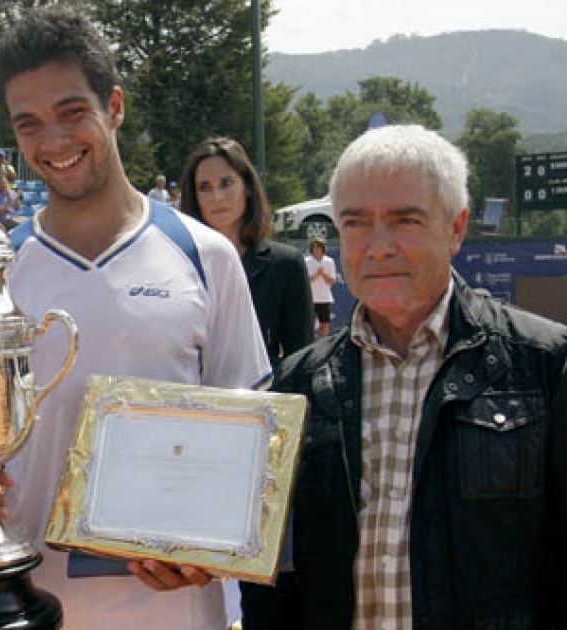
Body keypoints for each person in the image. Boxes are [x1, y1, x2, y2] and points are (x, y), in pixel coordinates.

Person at [0, 7, 272, 630]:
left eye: (71, 112)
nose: (52, 142)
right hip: (25, 611)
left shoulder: (205, 256)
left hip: (176, 612)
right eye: (28, 124)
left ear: (114, 105)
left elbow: (249, 452)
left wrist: (211, 550)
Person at [240, 124, 567, 630]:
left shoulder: (546, 367)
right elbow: (273, 580)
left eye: (404, 220)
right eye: (356, 223)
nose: (378, 247)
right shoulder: (295, 386)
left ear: (456, 229)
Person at [181, 136, 314, 365]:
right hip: (186, 397)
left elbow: (301, 358)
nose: (217, 197)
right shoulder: (178, 264)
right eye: (205, 187)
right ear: (195, 197)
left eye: (227, 183)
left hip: (263, 396)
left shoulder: (285, 264)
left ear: (248, 187)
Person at [305, 235, 336, 336]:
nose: (316, 249)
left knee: (325, 324)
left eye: (318, 247)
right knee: (309, 325)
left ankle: (324, 346)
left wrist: (323, 274)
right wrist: (316, 275)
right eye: (314, 247)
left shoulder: (329, 261)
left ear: (322, 248)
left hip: (324, 298)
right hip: (310, 298)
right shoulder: (306, 261)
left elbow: (332, 281)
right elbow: (305, 281)